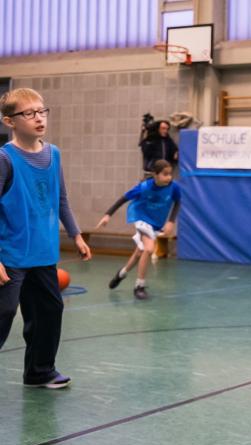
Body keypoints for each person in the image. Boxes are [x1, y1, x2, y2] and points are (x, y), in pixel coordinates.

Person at [0, 88, 92, 389]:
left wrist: (76, 234)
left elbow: (61, 199)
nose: (38, 118)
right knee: (4, 312)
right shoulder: (5, 159)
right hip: (10, 254)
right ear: (9, 121)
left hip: (43, 252)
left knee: (49, 311)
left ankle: (40, 371)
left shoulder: (54, 154)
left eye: (42, 111)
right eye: (28, 113)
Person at [96, 160, 182, 300]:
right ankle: (139, 286)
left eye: (170, 174)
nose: (169, 177)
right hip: (140, 217)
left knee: (140, 252)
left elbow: (178, 201)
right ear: (155, 174)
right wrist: (108, 215)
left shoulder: (174, 187)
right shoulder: (143, 187)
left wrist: (171, 221)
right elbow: (123, 198)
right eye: (165, 174)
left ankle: (121, 274)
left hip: (156, 223)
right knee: (148, 249)